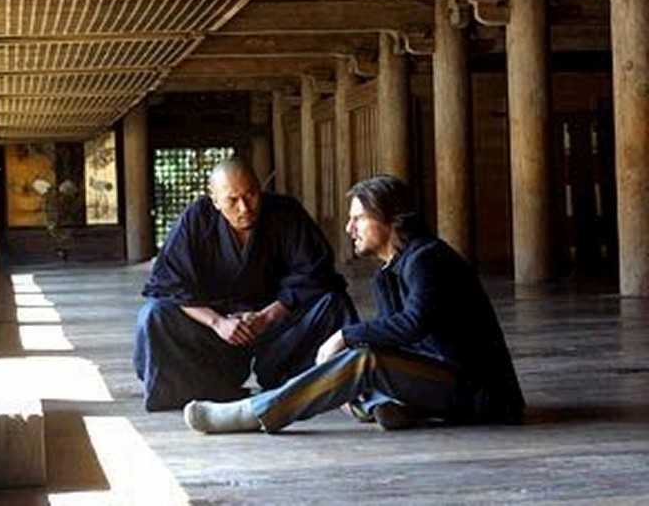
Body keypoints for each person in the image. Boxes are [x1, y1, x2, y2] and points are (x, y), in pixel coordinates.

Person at [183, 174, 525, 433]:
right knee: (358, 361)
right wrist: (344, 373)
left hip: (483, 395)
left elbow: (412, 325)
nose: (349, 228)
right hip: (441, 380)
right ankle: (384, 405)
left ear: (390, 218)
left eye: (358, 218)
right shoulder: (387, 273)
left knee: (363, 360)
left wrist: (344, 337)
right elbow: (393, 343)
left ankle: (254, 412)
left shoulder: (427, 257)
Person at [134, 156, 357, 411]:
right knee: (154, 315)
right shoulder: (197, 219)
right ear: (215, 200)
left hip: (279, 327)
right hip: (216, 335)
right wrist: (218, 322)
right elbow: (168, 284)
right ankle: (211, 389)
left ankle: (334, 385)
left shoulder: (285, 212)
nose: (244, 208)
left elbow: (315, 274)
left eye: (251, 195)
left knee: (333, 303)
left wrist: (267, 316)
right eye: (232, 200)